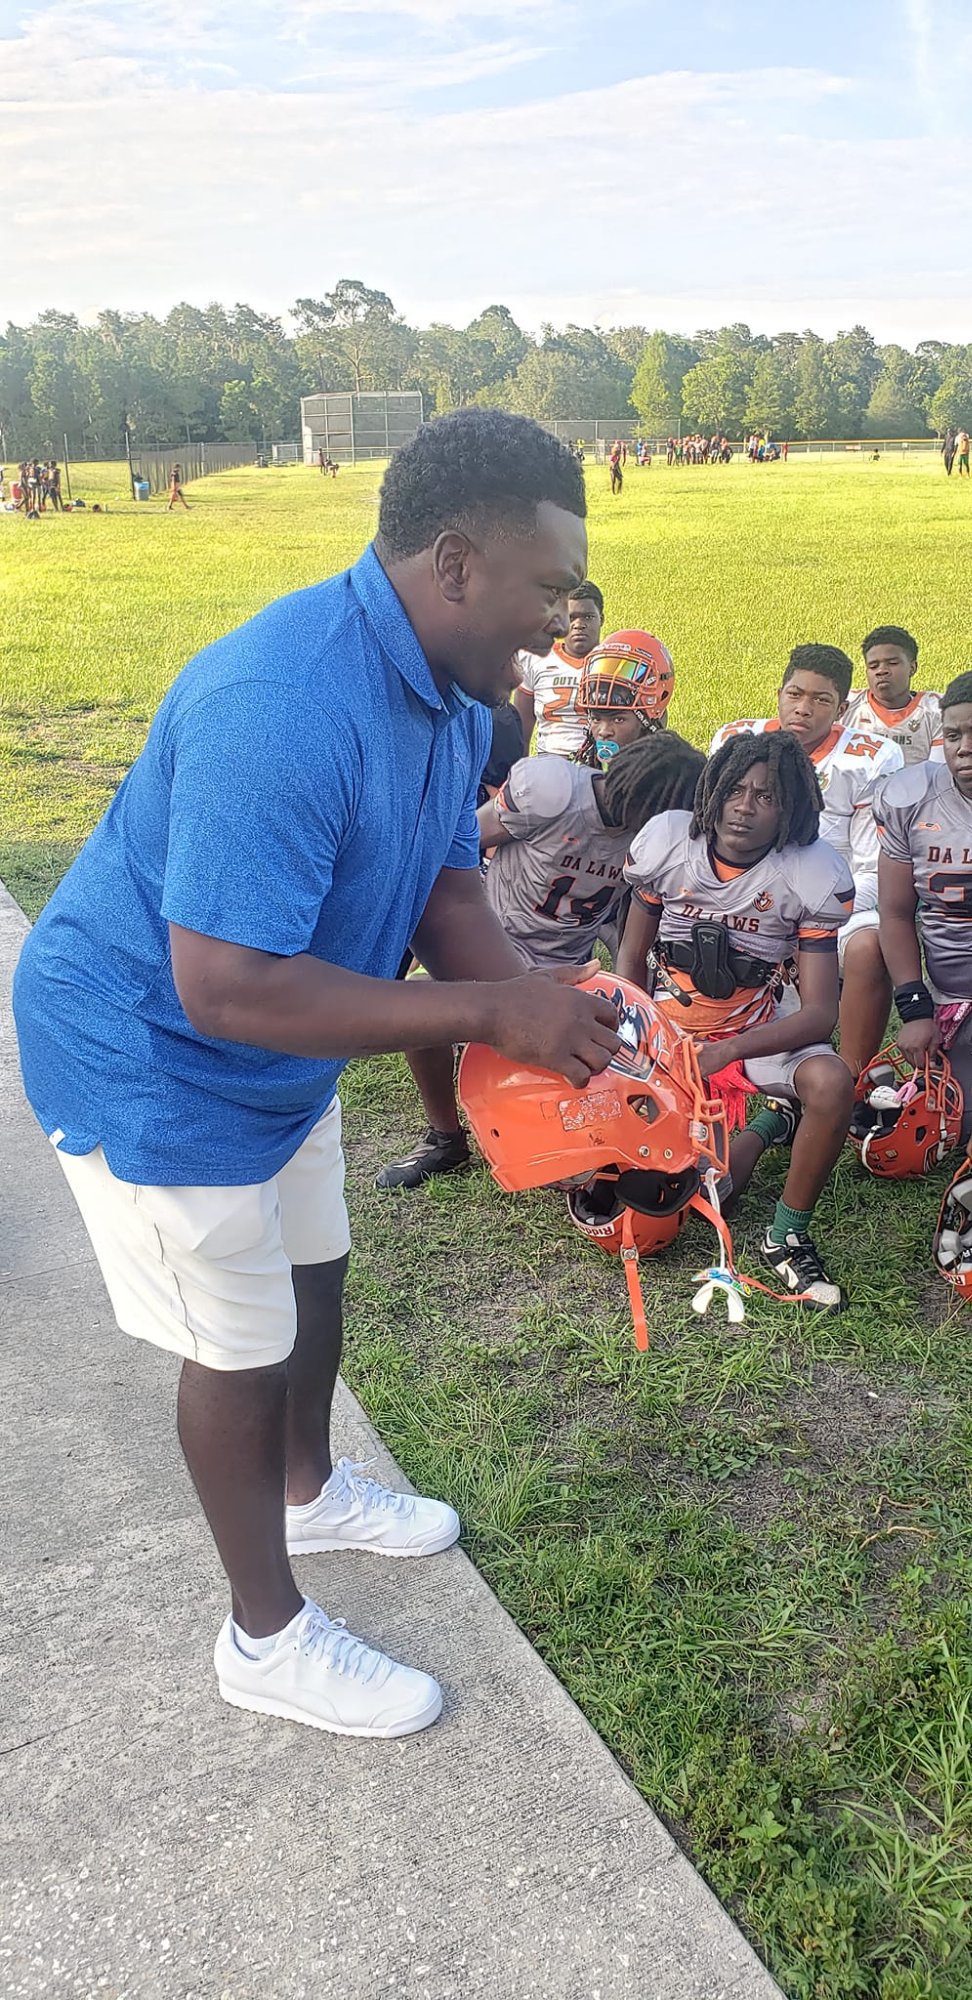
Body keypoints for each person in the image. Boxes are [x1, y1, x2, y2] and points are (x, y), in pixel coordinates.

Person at [13, 407, 623, 1740]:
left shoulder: (455, 695)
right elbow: (221, 983)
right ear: (457, 562)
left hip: (280, 1036)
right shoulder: (282, 702)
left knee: (313, 1263)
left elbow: (445, 884)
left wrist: (532, 1004)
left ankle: (312, 1487)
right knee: (233, 1340)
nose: (557, 621)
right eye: (547, 588)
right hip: (156, 1053)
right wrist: (484, 1014)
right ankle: (264, 1634)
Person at [375, 732, 705, 1190]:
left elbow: (622, 921)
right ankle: (443, 1137)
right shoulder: (552, 792)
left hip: (571, 965)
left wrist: (629, 986)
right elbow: (461, 848)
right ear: (651, 802)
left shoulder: (646, 843)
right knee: (423, 1003)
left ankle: (580, 1145)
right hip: (490, 946)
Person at [618, 733, 855, 1308]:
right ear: (713, 791)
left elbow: (821, 1013)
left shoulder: (807, 872)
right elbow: (629, 959)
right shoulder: (670, 844)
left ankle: (787, 1234)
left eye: (766, 796)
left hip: (753, 1034)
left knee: (830, 1082)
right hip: (670, 1031)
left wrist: (727, 1052)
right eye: (735, 790)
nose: (744, 806)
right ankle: (772, 1122)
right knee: (684, 1199)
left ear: (791, 808)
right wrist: (636, 1043)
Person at [709, 644, 903, 1078]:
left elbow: (873, 869)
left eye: (821, 700)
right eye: (795, 694)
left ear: (842, 706)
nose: (803, 709)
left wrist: (813, 912)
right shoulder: (737, 742)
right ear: (779, 692)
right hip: (742, 895)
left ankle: (852, 1072)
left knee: (869, 945)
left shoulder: (870, 759)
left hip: (834, 898)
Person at [875, 671, 972, 1141]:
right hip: (952, 995)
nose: (965, 747)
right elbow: (894, 913)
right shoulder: (912, 799)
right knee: (945, 1124)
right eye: (953, 735)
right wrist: (915, 1008)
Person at [513, 580, 604, 758]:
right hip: (550, 762)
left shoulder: (617, 662)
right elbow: (521, 729)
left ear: (601, 618)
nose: (579, 624)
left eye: (588, 617)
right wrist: (520, 772)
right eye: (572, 617)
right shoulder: (536, 659)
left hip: (599, 765)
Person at [574, 630, 674, 769]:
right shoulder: (580, 773)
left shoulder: (674, 777)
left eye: (618, 719)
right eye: (596, 719)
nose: (603, 731)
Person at [843, 626, 942, 765]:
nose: (881, 671)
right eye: (873, 666)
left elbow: (939, 774)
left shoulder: (935, 711)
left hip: (917, 786)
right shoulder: (846, 706)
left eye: (892, 663)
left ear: (912, 668)